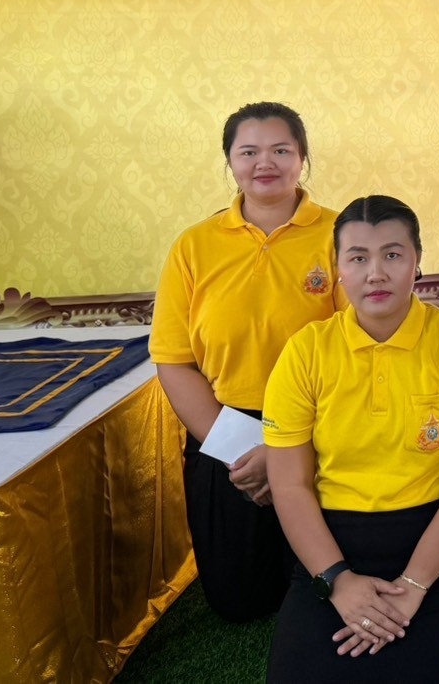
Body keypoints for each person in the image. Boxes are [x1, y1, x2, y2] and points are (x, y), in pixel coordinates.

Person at [263, 195, 439, 682]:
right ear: (338, 269)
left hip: (438, 539)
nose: (376, 273)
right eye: (358, 258)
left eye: (392, 254)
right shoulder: (304, 353)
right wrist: (338, 582)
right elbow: (289, 485)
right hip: (331, 542)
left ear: (417, 262)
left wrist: (414, 585)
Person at [151, 101, 343, 622]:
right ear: (230, 161)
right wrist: (243, 450)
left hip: (324, 426)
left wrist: (286, 454)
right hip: (227, 435)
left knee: (324, 591)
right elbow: (174, 361)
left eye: (281, 150)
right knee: (238, 604)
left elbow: (360, 348)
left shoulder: (339, 234)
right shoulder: (194, 246)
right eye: (249, 152)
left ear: (302, 157)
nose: (265, 163)